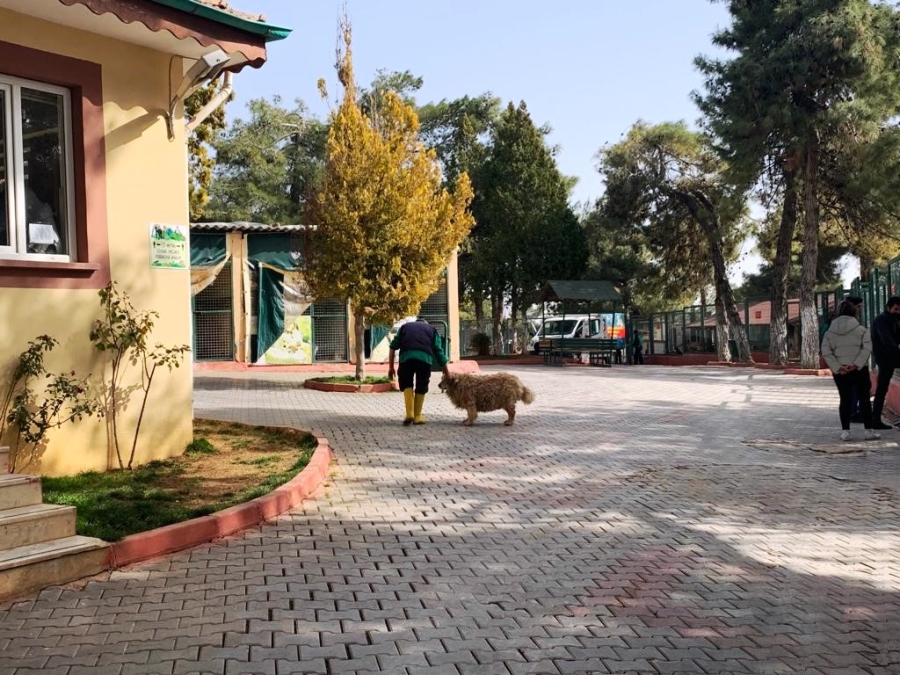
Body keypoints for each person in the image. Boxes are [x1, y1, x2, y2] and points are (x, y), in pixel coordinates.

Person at [821, 299, 880, 441]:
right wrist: (856, 364)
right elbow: (867, 348)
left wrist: (838, 367)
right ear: (854, 313)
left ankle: (845, 431)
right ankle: (868, 431)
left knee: (845, 399)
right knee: (864, 399)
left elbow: (826, 351)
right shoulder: (861, 330)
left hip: (841, 371)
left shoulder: (830, 333)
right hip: (859, 369)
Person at [388, 318, 452, 426]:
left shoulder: (404, 327)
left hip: (406, 358)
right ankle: (417, 416)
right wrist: (447, 373)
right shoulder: (432, 330)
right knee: (421, 384)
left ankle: (409, 413)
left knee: (406, 383)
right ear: (425, 324)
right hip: (424, 359)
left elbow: (392, 347)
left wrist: (391, 367)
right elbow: (438, 352)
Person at [869, 296, 900, 430]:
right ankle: (875, 420)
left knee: (883, 389)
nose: (898, 312)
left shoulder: (894, 320)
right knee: (882, 389)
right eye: (896, 309)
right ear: (888, 307)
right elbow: (887, 341)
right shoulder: (881, 320)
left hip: (892, 358)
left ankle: (875, 419)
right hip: (885, 358)